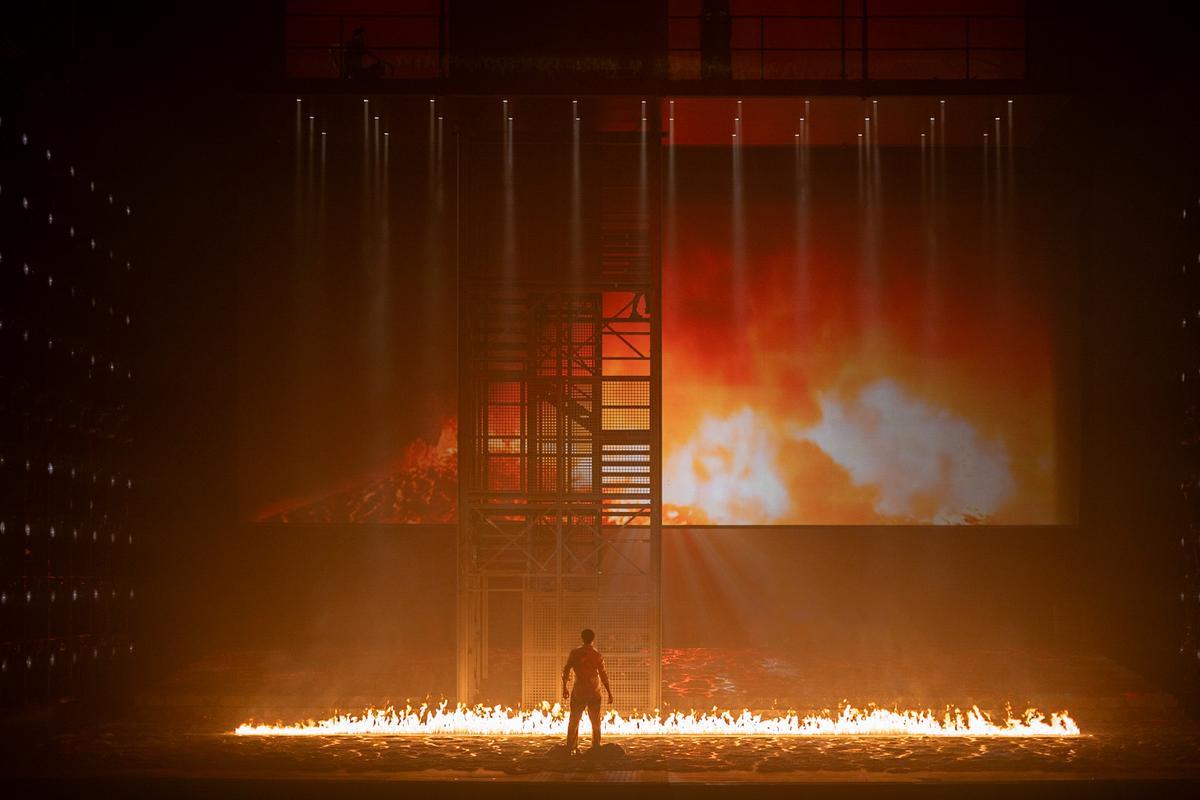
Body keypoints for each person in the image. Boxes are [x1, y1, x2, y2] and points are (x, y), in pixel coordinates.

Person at [561, 628, 613, 753]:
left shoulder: (575, 653)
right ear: (593, 640)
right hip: (594, 692)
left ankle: (571, 747)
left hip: (579, 692)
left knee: (574, 720)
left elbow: (566, 669)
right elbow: (603, 675)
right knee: (595, 722)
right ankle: (596, 747)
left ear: (582, 638)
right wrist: (609, 693)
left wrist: (564, 687)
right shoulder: (597, 655)